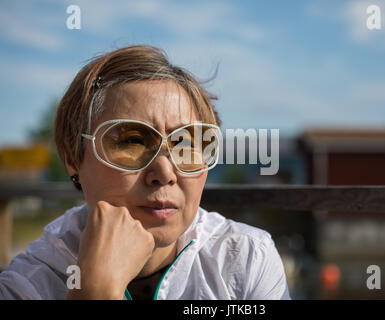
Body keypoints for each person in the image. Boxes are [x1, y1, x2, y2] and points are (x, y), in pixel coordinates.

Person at [0, 45, 291, 300]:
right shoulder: (27, 287)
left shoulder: (246, 258)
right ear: (73, 157)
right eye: (132, 141)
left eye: (187, 143)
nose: (165, 172)